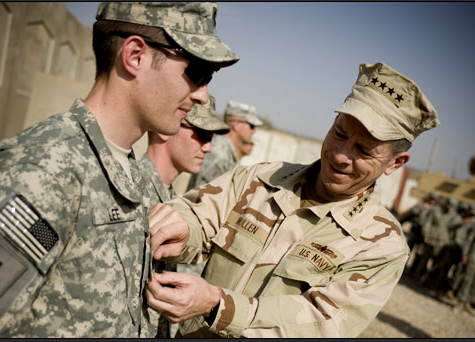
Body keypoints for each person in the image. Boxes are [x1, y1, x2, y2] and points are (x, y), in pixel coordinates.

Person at [0, 2, 238, 338]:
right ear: (135, 56)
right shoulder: (45, 171)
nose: (203, 96)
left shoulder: (133, 177)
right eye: (199, 72)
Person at [146, 62, 440, 338]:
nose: (340, 155)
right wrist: (183, 227)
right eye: (338, 133)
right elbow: (198, 214)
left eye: (363, 150)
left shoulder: (381, 245)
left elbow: (321, 322)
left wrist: (216, 305)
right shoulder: (261, 179)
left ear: (395, 163)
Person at [138, 94, 229, 337]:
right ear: (166, 128)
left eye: (210, 137)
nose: (208, 147)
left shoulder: (169, 199)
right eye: (201, 134)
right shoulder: (134, 197)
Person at [186, 100, 263, 190]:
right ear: (236, 125)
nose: (254, 131)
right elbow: (201, 198)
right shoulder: (219, 154)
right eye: (251, 126)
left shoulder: (227, 154)